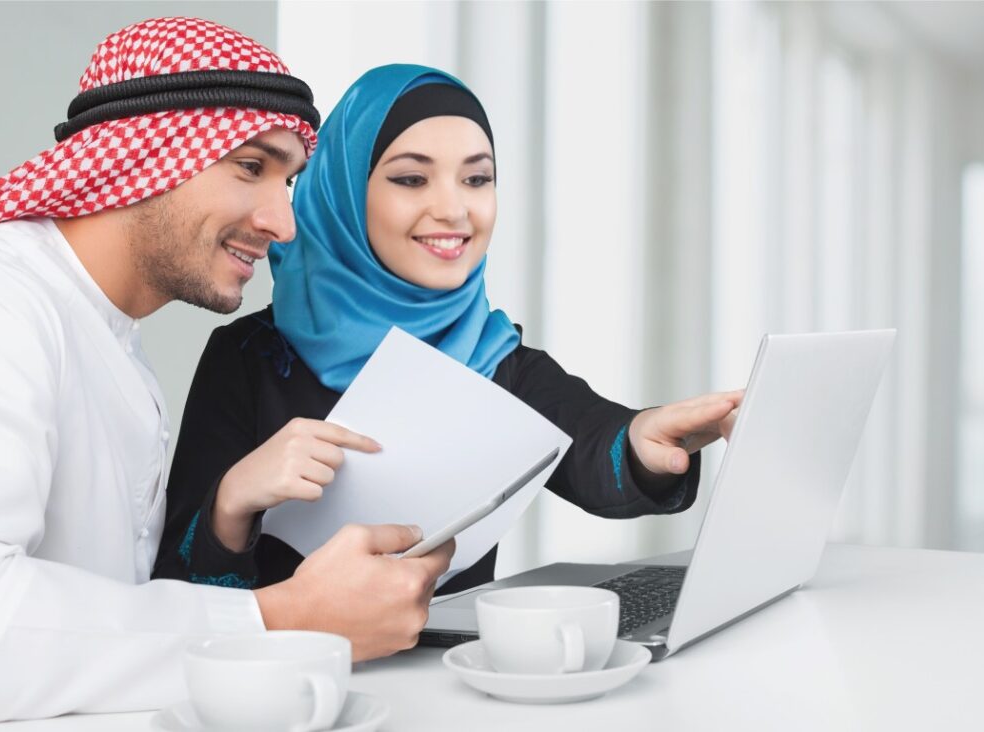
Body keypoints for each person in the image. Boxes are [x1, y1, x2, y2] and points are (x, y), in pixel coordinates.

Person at [0, 22, 451, 724]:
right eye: (251, 167)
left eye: (289, 181)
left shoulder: (112, 344)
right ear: (141, 157)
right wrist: (278, 619)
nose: (283, 222)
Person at [154, 64, 740, 595]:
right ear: (343, 193)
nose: (455, 210)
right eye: (412, 179)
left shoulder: (492, 355)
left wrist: (646, 440)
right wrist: (232, 502)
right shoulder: (250, 357)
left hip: (452, 693)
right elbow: (179, 591)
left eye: (476, 179)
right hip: (298, 696)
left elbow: (593, 445)